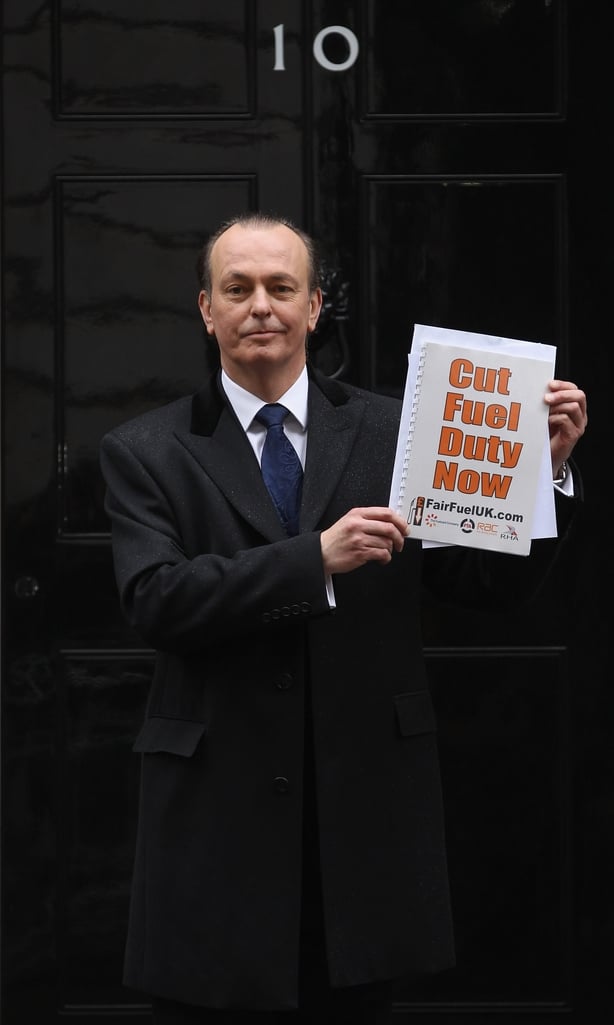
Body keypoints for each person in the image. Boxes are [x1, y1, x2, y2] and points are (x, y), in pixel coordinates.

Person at [99, 213, 588, 1025]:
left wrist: (544, 474)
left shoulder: (399, 430)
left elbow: (484, 583)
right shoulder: (145, 448)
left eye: (281, 286)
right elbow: (156, 598)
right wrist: (313, 559)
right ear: (207, 309)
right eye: (238, 288)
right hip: (216, 814)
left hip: (364, 814)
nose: (261, 305)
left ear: (315, 306)